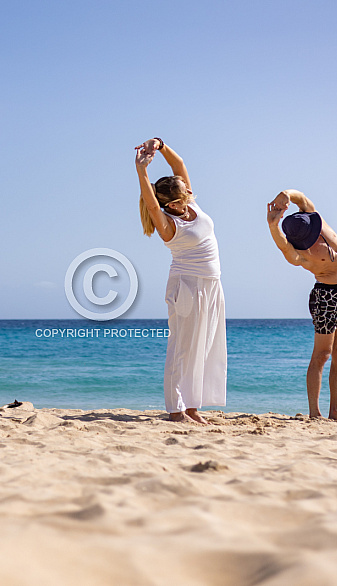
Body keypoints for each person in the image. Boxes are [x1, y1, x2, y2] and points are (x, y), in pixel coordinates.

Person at [135, 137, 226, 424]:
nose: (190, 195)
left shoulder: (187, 201)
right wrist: (141, 171)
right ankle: (176, 410)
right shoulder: (168, 224)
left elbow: (179, 164)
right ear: (172, 203)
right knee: (182, 348)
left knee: (204, 346)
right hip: (188, 286)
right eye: (184, 196)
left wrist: (159, 145)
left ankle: (192, 407)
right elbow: (151, 204)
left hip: (212, 284)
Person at [266, 190, 337, 421]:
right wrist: (273, 225)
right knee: (323, 354)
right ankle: (315, 412)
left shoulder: (317, 220)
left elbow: (302, 198)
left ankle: (335, 410)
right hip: (325, 296)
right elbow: (282, 246)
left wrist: (285, 195)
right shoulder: (301, 253)